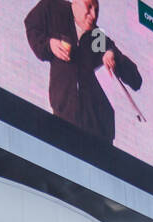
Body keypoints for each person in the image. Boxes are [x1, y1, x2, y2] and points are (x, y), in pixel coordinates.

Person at [23, 0, 143, 145]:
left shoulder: (97, 36)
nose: (93, 15)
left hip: (99, 128)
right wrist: (49, 44)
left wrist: (112, 55)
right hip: (65, 117)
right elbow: (32, 26)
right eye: (89, 7)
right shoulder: (52, 9)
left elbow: (136, 80)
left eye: (97, 10)